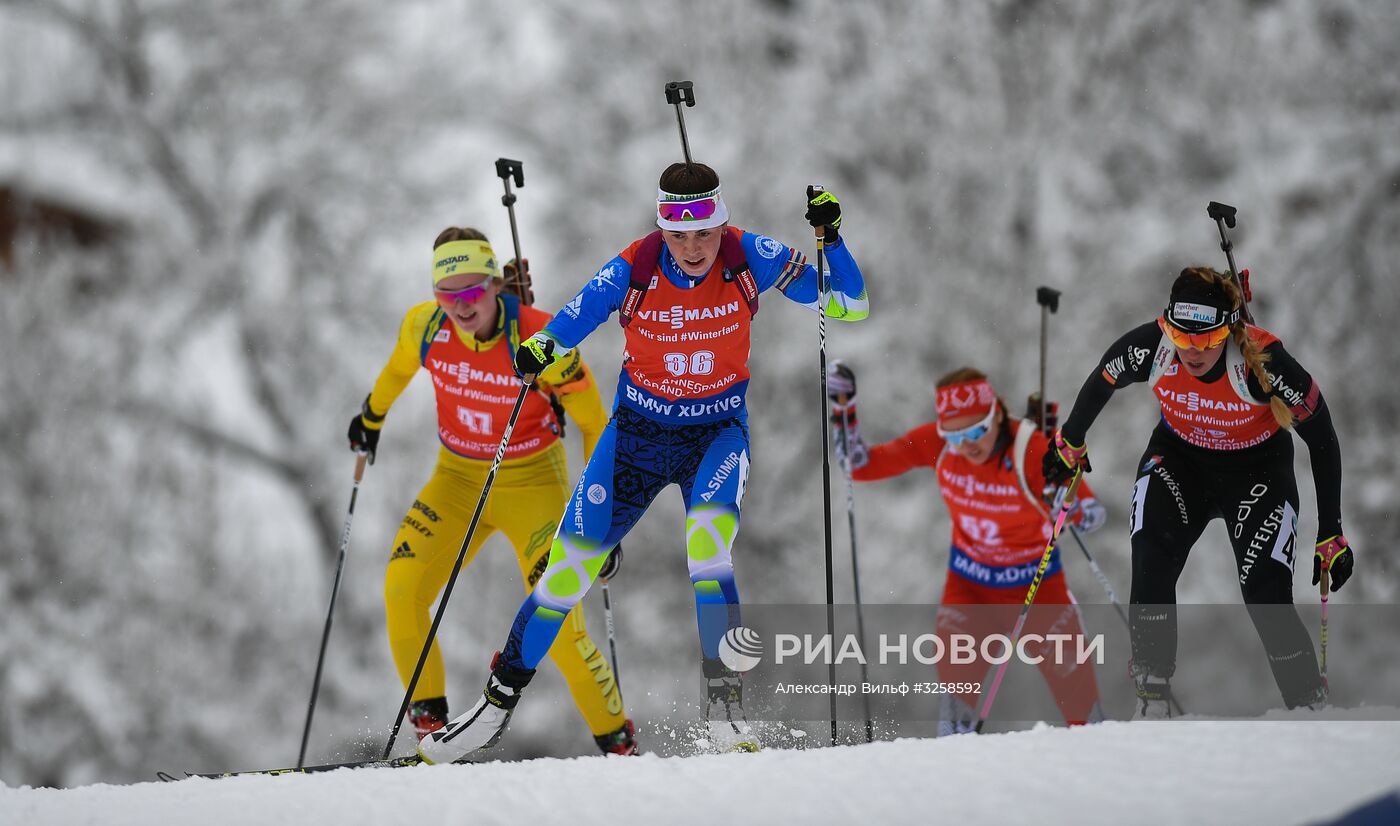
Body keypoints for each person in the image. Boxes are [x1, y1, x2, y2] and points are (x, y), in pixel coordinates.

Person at [416, 162, 868, 763]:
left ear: (721, 223)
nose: (691, 249)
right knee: (566, 574)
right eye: (678, 235)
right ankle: (494, 707)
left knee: (709, 549)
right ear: (663, 230)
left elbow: (849, 307)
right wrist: (539, 350)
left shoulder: (748, 255)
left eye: (703, 233)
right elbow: (582, 310)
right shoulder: (639, 262)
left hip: (715, 436)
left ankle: (727, 708)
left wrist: (830, 240)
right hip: (636, 439)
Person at [346, 226, 637, 756]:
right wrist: (371, 417)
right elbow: (395, 371)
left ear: (495, 285)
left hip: (534, 484)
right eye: (447, 293)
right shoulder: (424, 326)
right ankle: (434, 737)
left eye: (473, 290)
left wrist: (605, 511)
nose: (461, 305)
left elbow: (597, 423)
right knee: (401, 590)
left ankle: (619, 746)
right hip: (456, 481)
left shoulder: (541, 336)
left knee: (559, 621)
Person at [1042, 266, 1354, 716]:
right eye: (1181, 337)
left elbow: (1321, 435)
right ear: (1167, 326)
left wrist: (1331, 531)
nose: (1191, 352)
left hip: (1257, 471)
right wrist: (1070, 441)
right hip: (1180, 462)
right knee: (1149, 554)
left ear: (1228, 330)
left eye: (1205, 340)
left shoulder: (1261, 360)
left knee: (1265, 592)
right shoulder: (1153, 347)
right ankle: (1151, 698)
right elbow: (1103, 378)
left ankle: (1308, 706)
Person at [828, 363, 1107, 733]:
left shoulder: (1031, 448)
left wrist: (1073, 507)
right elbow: (861, 466)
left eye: (976, 431)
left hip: (1038, 590)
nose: (967, 445)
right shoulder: (938, 444)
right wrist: (843, 409)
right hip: (969, 591)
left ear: (997, 416)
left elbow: (1091, 508)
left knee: (1086, 716)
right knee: (954, 722)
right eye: (955, 436)